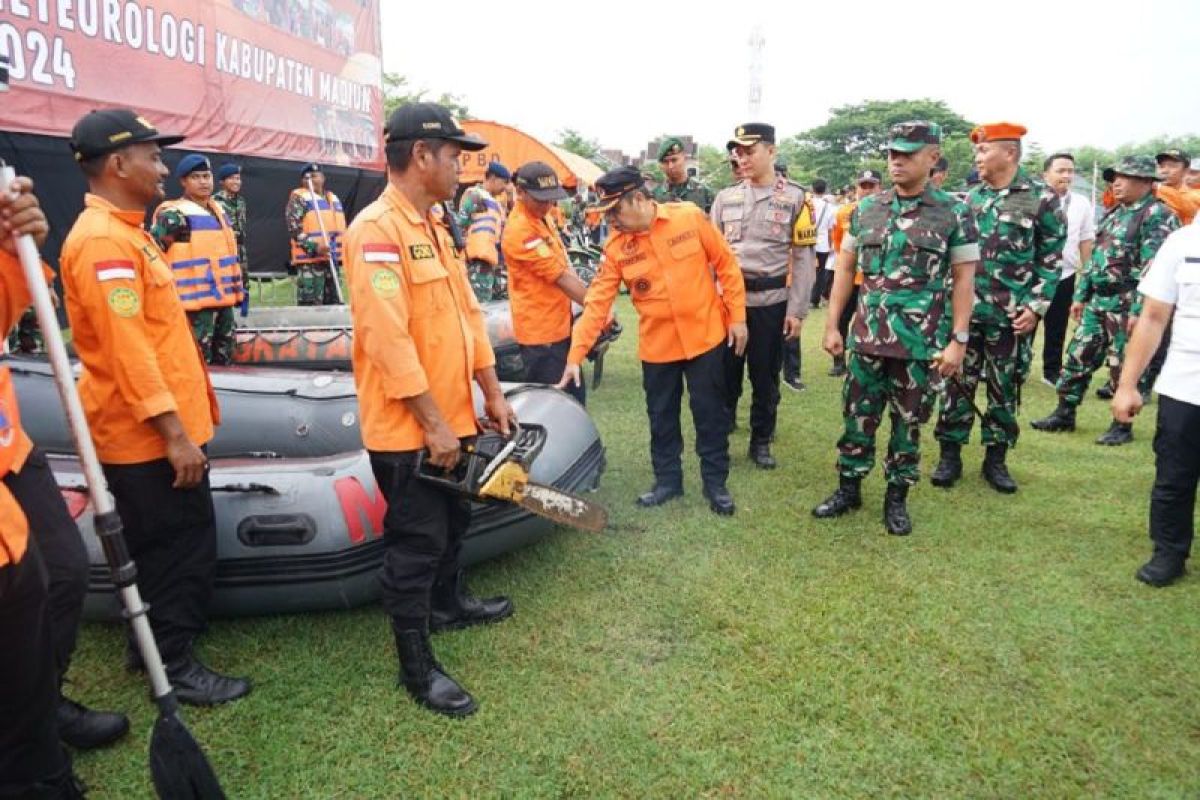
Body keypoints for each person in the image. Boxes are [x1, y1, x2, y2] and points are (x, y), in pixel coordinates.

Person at [61, 108, 252, 706]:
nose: (163, 166)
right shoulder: (103, 243)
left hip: (156, 428)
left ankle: (148, 645)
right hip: (145, 437)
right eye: (153, 156)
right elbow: (129, 352)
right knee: (176, 548)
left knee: (160, 545)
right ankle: (172, 663)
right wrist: (173, 434)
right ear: (118, 163)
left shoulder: (129, 232)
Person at [343, 102, 516, 718]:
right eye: (453, 155)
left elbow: (468, 317)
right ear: (421, 155)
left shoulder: (434, 226)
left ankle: (449, 605)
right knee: (416, 544)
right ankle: (416, 667)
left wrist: (491, 391)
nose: (461, 167)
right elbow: (388, 340)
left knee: (454, 526)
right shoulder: (376, 231)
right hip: (410, 429)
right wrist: (434, 425)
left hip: (455, 418)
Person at [812, 121, 979, 536]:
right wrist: (833, 324)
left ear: (933, 157)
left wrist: (958, 340)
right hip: (868, 336)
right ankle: (848, 489)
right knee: (857, 416)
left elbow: (963, 280)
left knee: (909, 423)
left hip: (921, 344)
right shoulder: (867, 208)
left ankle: (896, 499)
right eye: (892, 153)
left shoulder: (955, 211)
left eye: (907, 153)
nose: (896, 160)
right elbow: (845, 267)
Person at [558, 166, 747, 515]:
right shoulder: (617, 246)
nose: (612, 220)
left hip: (705, 337)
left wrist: (737, 318)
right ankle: (667, 482)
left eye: (616, 210)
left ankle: (715, 483)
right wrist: (575, 355)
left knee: (709, 414)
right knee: (661, 416)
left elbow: (726, 265)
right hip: (658, 347)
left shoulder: (689, 217)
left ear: (640, 199)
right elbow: (598, 301)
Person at [0, 176, 91, 799]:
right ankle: (29, 763)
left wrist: (11, 253)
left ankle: (40, 708)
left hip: (8, 439)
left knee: (63, 569)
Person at [930, 123, 1065, 494]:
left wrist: (1036, 307)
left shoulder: (1042, 199)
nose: (977, 157)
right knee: (956, 384)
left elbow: (1052, 259)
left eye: (983, 150)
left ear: (1009, 153)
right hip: (965, 315)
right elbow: (952, 259)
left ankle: (996, 459)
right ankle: (949, 455)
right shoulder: (969, 200)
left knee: (1004, 388)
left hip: (1010, 318)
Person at [1031, 155, 1179, 445]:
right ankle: (1065, 412)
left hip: (1128, 303)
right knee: (1078, 356)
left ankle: (1121, 424)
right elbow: (1097, 256)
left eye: (1124, 177)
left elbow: (1154, 269)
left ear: (1146, 183)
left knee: (1123, 366)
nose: (1117, 183)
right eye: (1114, 177)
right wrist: (1082, 294)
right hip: (1099, 302)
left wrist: (1140, 309)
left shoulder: (1157, 216)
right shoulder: (1115, 212)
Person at [711, 122, 817, 468]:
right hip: (728, 304)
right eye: (737, 152)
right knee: (724, 374)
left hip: (771, 303)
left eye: (749, 151)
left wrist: (797, 310)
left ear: (771, 151)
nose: (741, 158)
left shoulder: (797, 198)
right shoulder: (725, 198)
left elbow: (803, 260)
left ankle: (761, 441)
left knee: (765, 376)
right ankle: (722, 429)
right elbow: (710, 257)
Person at [1112, 222, 1200, 586]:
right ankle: (1169, 551)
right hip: (1187, 383)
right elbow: (1152, 317)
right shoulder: (1183, 242)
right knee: (1174, 476)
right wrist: (1127, 385)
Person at [500, 162, 590, 405]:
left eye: (551, 199)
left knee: (574, 399)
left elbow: (564, 265)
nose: (548, 205)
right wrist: (596, 307)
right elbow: (559, 277)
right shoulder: (520, 230)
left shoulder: (542, 217)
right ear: (520, 193)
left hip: (559, 326)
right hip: (542, 338)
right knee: (556, 405)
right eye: (541, 199)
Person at [151, 154, 244, 365]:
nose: (203, 182)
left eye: (207, 176)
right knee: (197, 365)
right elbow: (151, 255)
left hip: (224, 304)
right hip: (194, 309)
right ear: (184, 181)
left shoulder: (219, 210)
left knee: (225, 363)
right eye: (196, 177)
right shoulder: (174, 215)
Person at [1038, 152, 1095, 386]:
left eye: (1070, 171)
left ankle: (1051, 370)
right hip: (1035, 274)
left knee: (1057, 325)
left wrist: (1087, 273)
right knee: (1024, 323)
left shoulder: (1081, 203)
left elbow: (1086, 239)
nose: (1066, 175)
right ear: (1045, 174)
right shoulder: (1034, 199)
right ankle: (1016, 368)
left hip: (1065, 273)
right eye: (1060, 170)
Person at [827, 170, 882, 377]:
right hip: (850, 278)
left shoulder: (887, 213)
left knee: (871, 320)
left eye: (871, 186)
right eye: (863, 185)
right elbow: (839, 244)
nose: (866, 190)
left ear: (880, 187)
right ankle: (839, 360)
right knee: (841, 318)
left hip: (872, 279)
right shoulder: (844, 213)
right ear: (856, 188)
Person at [287, 162, 346, 305]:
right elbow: (294, 230)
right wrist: (315, 247)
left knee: (334, 303)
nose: (312, 180)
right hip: (311, 264)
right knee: (312, 305)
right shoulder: (299, 199)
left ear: (322, 178)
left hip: (332, 261)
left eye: (315, 176)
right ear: (302, 181)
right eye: (307, 178)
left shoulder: (333, 198)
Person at [459, 161, 511, 302]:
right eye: (504, 182)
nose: (505, 187)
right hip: (476, 263)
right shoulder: (475, 196)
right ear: (493, 178)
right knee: (479, 305)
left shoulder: (497, 205)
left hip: (492, 263)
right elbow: (461, 226)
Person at [212, 162, 249, 301]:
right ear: (222, 181)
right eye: (232, 178)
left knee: (243, 285)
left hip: (240, 251)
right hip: (224, 252)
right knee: (227, 286)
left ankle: (243, 316)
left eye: (238, 178)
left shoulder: (241, 201)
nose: (236, 182)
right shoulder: (214, 202)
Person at [651, 137, 714, 212]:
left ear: (684, 158)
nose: (670, 166)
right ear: (660, 165)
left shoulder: (704, 193)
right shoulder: (654, 196)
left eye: (674, 160)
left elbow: (713, 221)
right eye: (665, 162)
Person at [807, 179, 836, 309]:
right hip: (823, 243)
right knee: (820, 272)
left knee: (806, 270)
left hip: (807, 241)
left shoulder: (806, 204)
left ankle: (805, 297)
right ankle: (815, 299)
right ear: (825, 190)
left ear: (812, 189)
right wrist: (830, 245)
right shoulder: (830, 207)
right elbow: (831, 229)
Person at [1153, 148, 1199, 225]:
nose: (1164, 171)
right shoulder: (1152, 191)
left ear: (1185, 171)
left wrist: (1157, 187)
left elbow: (1186, 203)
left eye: (1172, 166)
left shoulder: (1195, 194)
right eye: (1161, 166)